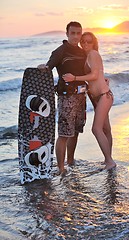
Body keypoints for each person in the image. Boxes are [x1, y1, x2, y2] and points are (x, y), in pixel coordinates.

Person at [38, 22, 87, 176]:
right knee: (65, 133)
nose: (76, 36)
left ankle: (70, 161)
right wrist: (42, 68)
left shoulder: (82, 52)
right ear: (67, 34)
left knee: (76, 131)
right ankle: (61, 168)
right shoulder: (60, 51)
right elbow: (48, 68)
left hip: (81, 96)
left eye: (78, 33)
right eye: (73, 33)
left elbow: (88, 71)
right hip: (66, 98)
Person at [63, 32, 116, 170]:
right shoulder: (88, 56)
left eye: (89, 41)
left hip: (104, 96)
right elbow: (99, 74)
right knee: (106, 129)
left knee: (96, 129)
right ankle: (108, 159)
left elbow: (94, 75)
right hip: (97, 97)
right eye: (83, 41)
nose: (85, 44)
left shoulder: (93, 54)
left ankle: (110, 161)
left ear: (93, 43)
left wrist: (74, 78)